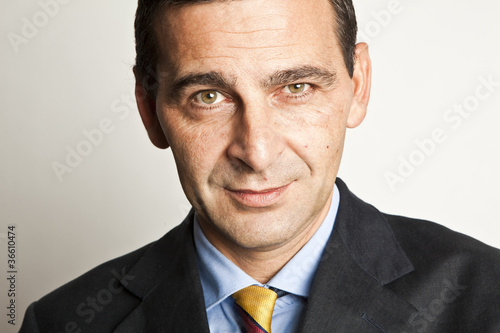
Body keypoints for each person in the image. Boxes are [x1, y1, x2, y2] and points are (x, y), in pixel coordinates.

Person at [20, 0, 500, 332]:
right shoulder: (63, 323)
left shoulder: (488, 299)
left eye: (296, 88)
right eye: (208, 97)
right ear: (150, 111)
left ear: (358, 85)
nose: (257, 151)